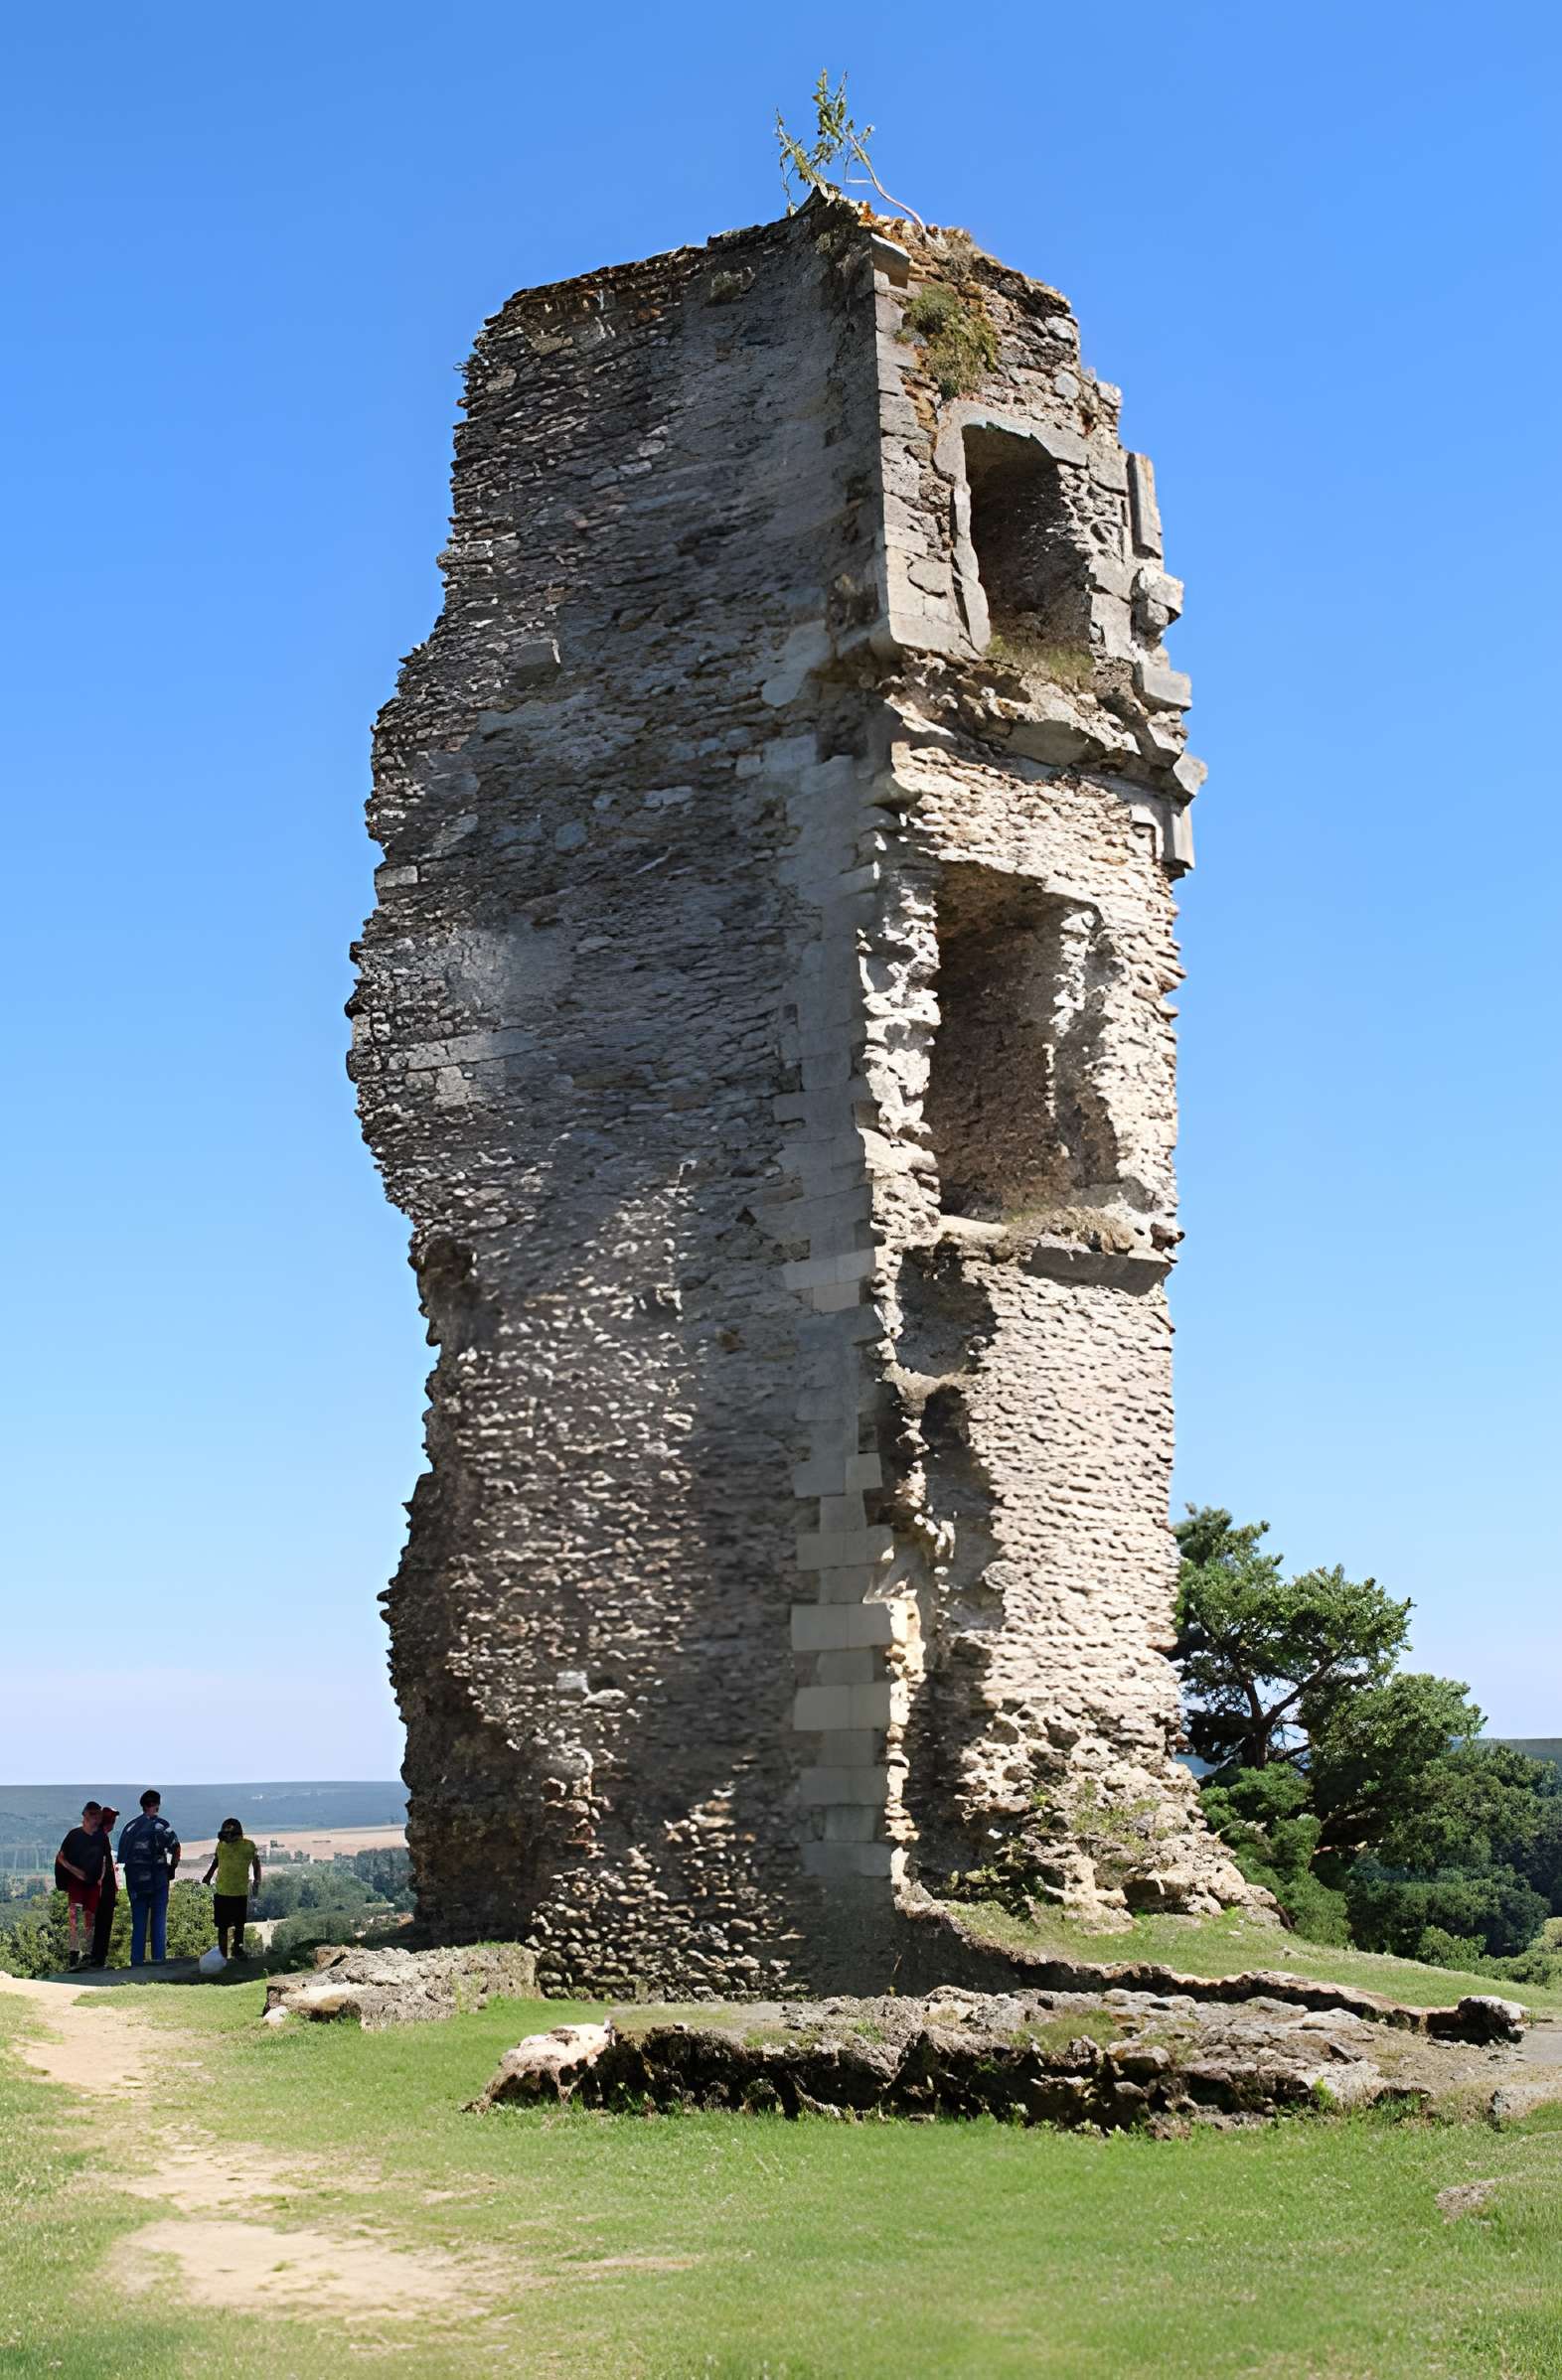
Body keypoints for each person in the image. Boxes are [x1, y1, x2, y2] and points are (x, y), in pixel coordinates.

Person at [117, 1790, 181, 1967]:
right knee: (158, 1921)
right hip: (158, 1879)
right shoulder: (161, 1826)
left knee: (138, 1922)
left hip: (135, 1882)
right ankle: (158, 1960)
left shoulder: (129, 1828)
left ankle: (137, 1962)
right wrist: (172, 1868)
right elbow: (176, 1848)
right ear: (158, 1805)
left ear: (142, 1805)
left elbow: (123, 1858)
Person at [54, 1803, 108, 1970]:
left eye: (98, 1815)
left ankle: (87, 1954)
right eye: (92, 1815)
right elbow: (61, 1858)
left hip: (93, 1883)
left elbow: (105, 1859)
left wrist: (100, 1878)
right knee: (75, 1916)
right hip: (76, 1882)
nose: (95, 1819)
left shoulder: (101, 1837)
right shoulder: (74, 1835)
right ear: (85, 1816)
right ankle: (74, 1953)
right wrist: (72, 1875)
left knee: (90, 1918)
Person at [201, 1819, 261, 1961]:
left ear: (237, 1834)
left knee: (239, 1925)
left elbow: (256, 1864)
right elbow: (216, 1861)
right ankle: (222, 1955)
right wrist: (208, 1875)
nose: (226, 1837)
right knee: (222, 1926)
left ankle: (237, 1951)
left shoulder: (248, 1846)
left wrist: (257, 1881)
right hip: (222, 1891)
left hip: (240, 1891)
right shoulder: (221, 1845)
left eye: (228, 1834)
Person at [89, 1806, 121, 1970]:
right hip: (103, 1890)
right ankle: (98, 1959)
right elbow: (101, 1863)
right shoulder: (101, 1838)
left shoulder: (97, 1836)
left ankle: (96, 1958)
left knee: (100, 1924)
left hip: (100, 1889)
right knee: (103, 1923)